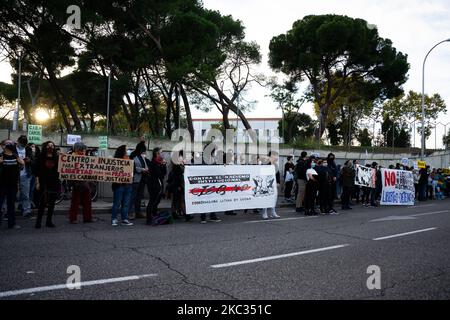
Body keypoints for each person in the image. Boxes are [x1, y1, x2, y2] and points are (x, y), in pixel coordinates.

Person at [34, 141, 59, 229]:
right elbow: (36, 171)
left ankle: (49, 221)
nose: (50, 147)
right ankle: (38, 222)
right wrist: (37, 182)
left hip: (54, 182)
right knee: (43, 202)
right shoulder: (40, 157)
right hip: (43, 181)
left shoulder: (57, 157)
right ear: (45, 147)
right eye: (49, 145)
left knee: (52, 203)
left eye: (52, 145)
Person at [0, 141, 24, 229]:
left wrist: (21, 162)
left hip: (12, 184)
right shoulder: (1, 156)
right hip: (2, 184)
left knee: (11, 205)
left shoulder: (15, 156)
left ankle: (12, 223)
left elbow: (21, 167)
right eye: (7, 144)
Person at [68, 142, 93, 224]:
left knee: (87, 201)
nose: (83, 152)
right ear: (76, 150)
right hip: (76, 183)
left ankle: (87, 218)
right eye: (81, 150)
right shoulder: (71, 157)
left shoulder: (85, 158)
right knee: (75, 202)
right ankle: (73, 218)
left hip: (84, 182)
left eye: (84, 150)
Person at [111, 145, 134, 227]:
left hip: (128, 185)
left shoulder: (130, 161)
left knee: (126, 203)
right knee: (117, 203)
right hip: (119, 186)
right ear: (122, 151)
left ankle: (124, 218)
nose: (128, 151)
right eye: (127, 150)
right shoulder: (116, 161)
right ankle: (114, 218)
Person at [146, 147, 167, 225]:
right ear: (157, 154)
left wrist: (164, 165)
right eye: (161, 152)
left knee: (156, 201)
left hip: (158, 185)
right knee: (152, 202)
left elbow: (164, 174)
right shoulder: (154, 163)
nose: (163, 154)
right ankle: (149, 219)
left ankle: (154, 216)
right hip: (154, 185)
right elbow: (160, 175)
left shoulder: (159, 162)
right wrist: (161, 165)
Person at [129, 141, 149, 220]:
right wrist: (141, 170)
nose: (144, 152)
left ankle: (138, 212)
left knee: (139, 197)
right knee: (133, 197)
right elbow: (132, 167)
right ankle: (131, 212)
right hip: (136, 179)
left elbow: (145, 164)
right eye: (143, 150)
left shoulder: (142, 156)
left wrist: (147, 169)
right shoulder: (133, 156)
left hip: (142, 179)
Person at [16, 135, 34, 218]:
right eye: (21, 143)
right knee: (10, 194)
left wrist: (29, 160)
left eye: (24, 143)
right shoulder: (12, 148)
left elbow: (32, 160)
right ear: (18, 141)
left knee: (25, 194)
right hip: (13, 174)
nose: (22, 145)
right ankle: (6, 211)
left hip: (25, 174)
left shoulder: (28, 149)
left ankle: (26, 210)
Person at [261, 152, 281, 220]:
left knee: (274, 198)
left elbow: (278, 174)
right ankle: (264, 213)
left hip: (274, 184)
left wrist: (278, 182)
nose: (276, 157)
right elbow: (262, 173)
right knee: (265, 198)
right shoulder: (265, 164)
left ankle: (273, 212)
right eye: (275, 156)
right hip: (266, 183)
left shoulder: (276, 165)